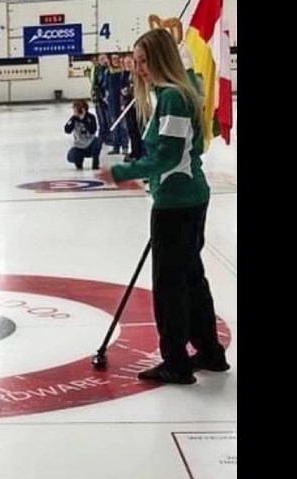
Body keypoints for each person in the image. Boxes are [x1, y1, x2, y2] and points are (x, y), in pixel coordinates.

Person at [99, 28, 229, 384]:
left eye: (145, 61)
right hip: (188, 199)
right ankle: (209, 352)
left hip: (176, 203)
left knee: (170, 285)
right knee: (190, 278)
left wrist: (124, 171)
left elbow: (168, 156)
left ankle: (176, 361)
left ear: (161, 59)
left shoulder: (173, 97)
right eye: (136, 62)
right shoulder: (182, 89)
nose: (139, 69)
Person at [64, 100, 101, 170]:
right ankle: (78, 163)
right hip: (79, 145)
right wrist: (73, 119)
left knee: (98, 142)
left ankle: (95, 163)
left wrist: (84, 119)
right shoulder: (73, 119)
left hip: (90, 143)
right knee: (72, 156)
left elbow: (93, 130)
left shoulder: (91, 117)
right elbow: (67, 130)